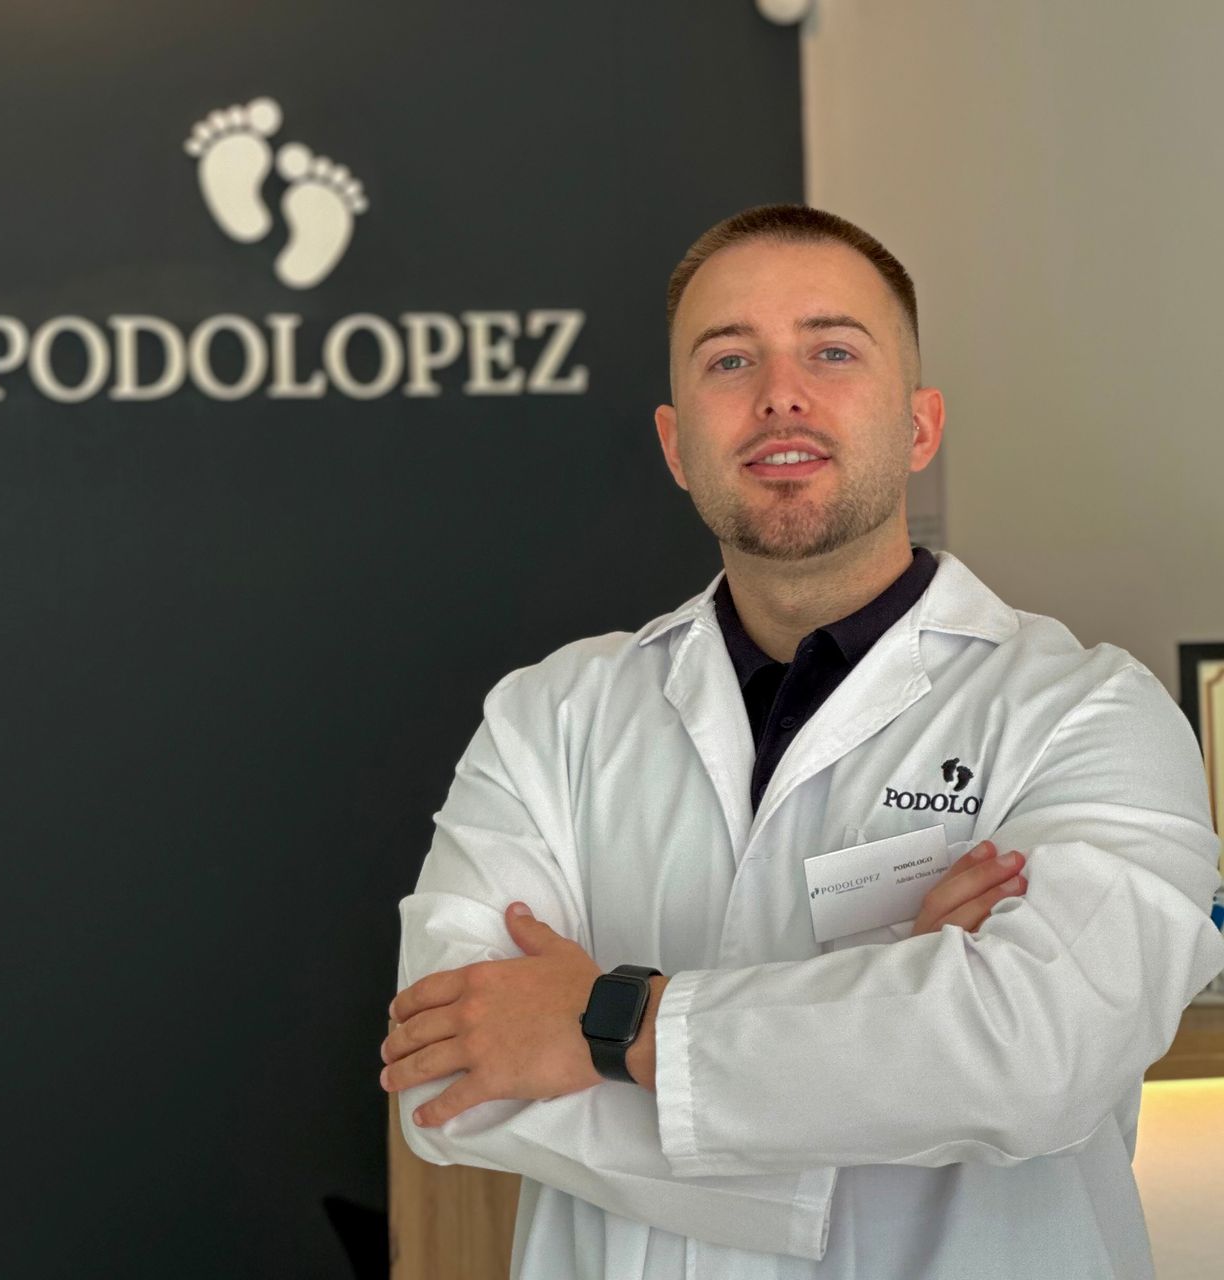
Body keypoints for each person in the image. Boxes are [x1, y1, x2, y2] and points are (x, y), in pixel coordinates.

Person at [381, 204, 1224, 1279]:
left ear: (918, 427)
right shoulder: (547, 717)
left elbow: (1036, 1054)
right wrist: (897, 1011)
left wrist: (607, 1025)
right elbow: (445, 1079)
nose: (780, 392)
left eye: (831, 351)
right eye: (729, 359)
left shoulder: (1089, 713)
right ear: (675, 445)